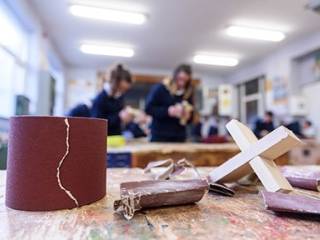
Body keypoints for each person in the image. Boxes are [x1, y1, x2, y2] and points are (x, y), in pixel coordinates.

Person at [145, 64, 194, 142]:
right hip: (160, 136)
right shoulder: (161, 88)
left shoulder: (188, 92)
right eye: (180, 79)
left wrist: (188, 116)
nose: (182, 84)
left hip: (179, 136)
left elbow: (191, 117)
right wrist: (168, 111)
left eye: (185, 81)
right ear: (175, 77)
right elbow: (148, 108)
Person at [91, 64, 134, 136]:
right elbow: (97, 124)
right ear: (115, 83)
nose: (123, 92)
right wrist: (119, 117)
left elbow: (119, 118)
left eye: (124, 90)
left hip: (116, 138)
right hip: (104, 138)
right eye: (121, 88)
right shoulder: (100, 99)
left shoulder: (119, 97)